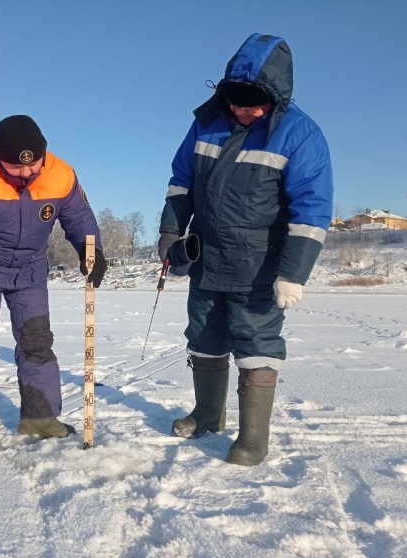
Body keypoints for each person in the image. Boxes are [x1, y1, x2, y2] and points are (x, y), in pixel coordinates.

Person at [158, 33, 333, 466]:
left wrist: (294, 273)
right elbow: (181, 182)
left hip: (258, 265)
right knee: (203, 336)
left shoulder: (301, 135)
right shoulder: (207, 122)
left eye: (253, 102)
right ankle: (207, 415)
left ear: (276, 96)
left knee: (256, 341)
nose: (242, 110)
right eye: (235, 99)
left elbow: (312, 211)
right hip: (205, 258)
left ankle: (253, 437)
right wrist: (170, 233)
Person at [0, 115, 107, 453]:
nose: (28, 173)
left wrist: (93, 250)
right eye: (16, 168)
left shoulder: (61, 173)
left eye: (34, 165)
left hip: (30, 271)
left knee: (37, 342)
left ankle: (39, 416)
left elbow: (79, 217)